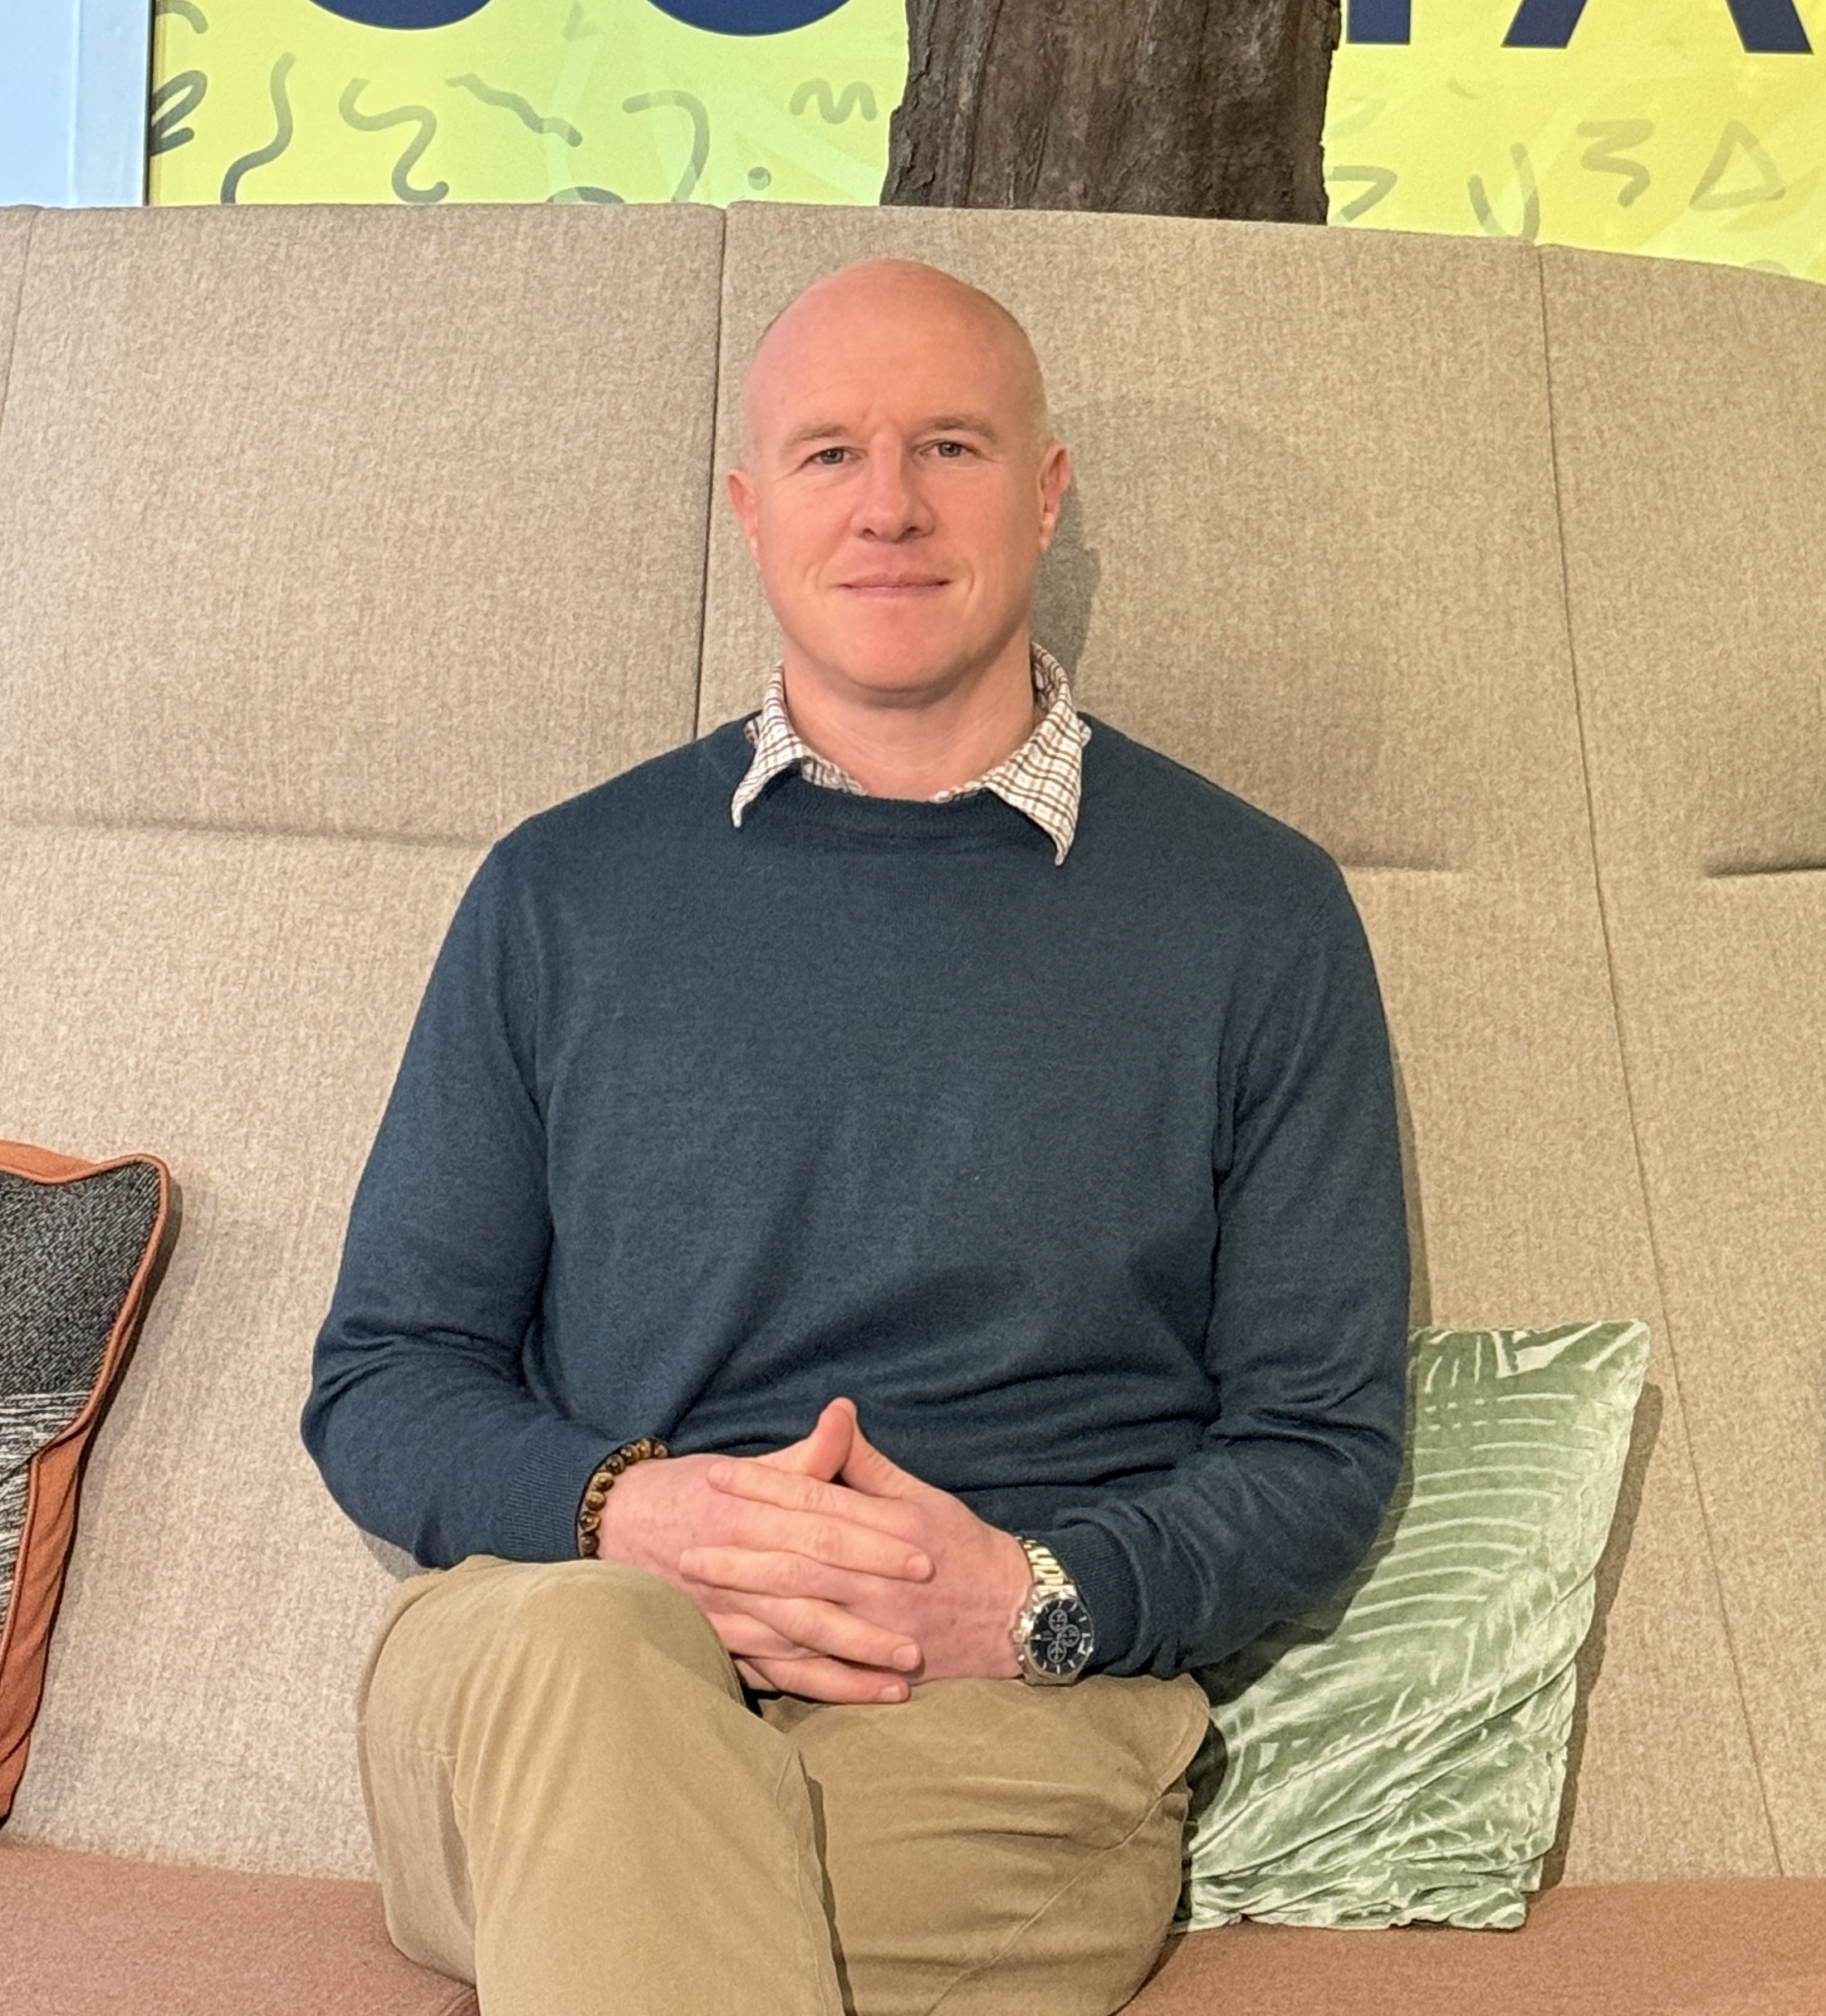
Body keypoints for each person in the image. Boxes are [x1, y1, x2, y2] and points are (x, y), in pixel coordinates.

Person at [304, 258, 1409, 2016]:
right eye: (829, 454)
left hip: (994, 1708)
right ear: (752, 511)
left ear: (1042, 494)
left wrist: (1032, 1600)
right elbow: (383, 1376)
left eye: (948, 447)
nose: (887, 505)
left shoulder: (1254, 916)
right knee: (593, 1661)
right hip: (561, 1648)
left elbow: (1317, 1444)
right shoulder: (558, 895)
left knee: (674, 1936)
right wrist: (623, 1511)